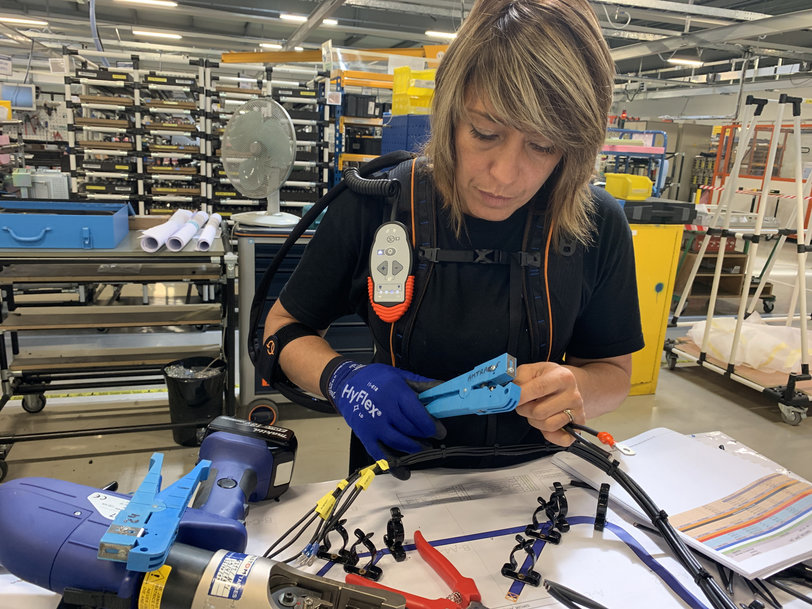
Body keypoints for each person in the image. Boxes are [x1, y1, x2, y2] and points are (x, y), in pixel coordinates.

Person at [262, 0, 644, 473]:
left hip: (535, 486)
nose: (505, 175)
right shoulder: (374, 203)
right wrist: (343, 378)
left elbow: (613, 372)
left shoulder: (596, 224)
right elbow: (282, 331)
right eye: (484, 132)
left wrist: (574, 388)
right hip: (393, 481)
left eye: (543, 145)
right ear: (449, 113)